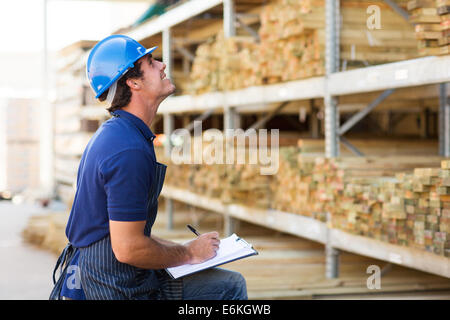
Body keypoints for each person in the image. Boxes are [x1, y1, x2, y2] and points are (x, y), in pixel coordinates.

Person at [50, 35, 247, 300]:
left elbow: (126, 236)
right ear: (133, 82)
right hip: (112, 287)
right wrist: (188, 254)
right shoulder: (127, 150)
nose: (163, 65)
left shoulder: (120, 134)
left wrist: (185, 248)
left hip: (108, 273)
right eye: (151, 62)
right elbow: (129, 248)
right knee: (229, 287)